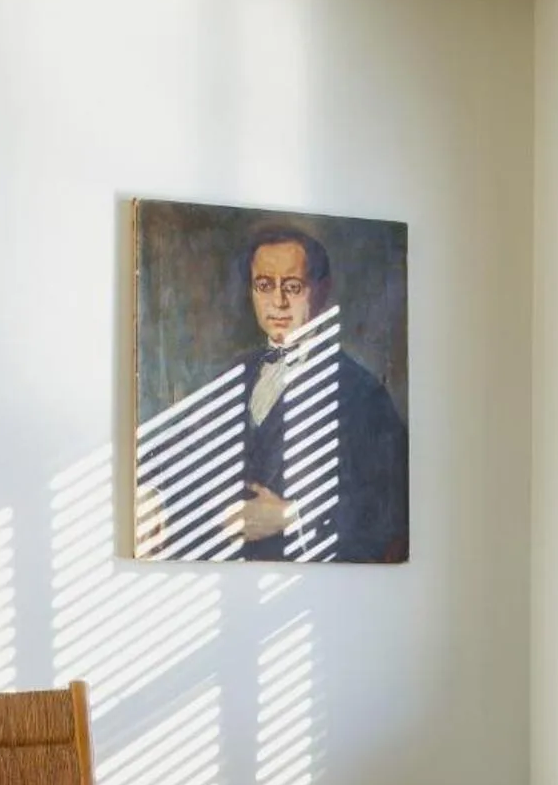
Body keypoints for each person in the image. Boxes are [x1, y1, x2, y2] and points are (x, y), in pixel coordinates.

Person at [140, 226, 408, 563]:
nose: (278, 301)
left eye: (293, 287)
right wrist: (151, 491)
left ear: (322, 291)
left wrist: (291, 517)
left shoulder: (362, 393)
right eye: (265, 286)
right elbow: (179, 451)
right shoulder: (237, 372)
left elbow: (391, 509)